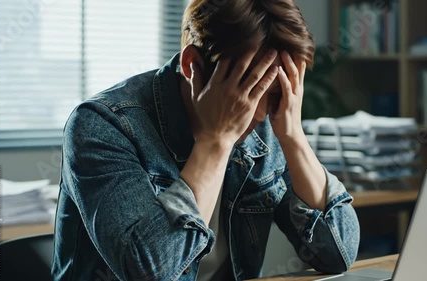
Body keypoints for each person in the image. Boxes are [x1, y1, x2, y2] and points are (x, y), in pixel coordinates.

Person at [51, 0, 360, 280]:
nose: (264, 111)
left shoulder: (271, 123)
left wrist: (293, 136)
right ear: (192, 67)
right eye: (249, 90)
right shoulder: (102, 125)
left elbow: (338, 254)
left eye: (278, 92)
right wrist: (216, 141)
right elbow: (150, 273)